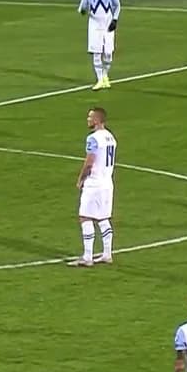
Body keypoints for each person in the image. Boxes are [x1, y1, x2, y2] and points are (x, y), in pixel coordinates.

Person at [69, 107, 116, 267]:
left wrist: (80, 179)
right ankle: (107, 254)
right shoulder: (111, 137)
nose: (88, 120)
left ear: (97, 120)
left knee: (85, 217)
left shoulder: (93, 138)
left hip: (94, 183)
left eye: (90, 117)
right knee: (103, 218)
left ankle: (87, 257)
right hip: (107, 183)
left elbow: (89, 162)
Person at [78, 0, 121, 90]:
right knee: (96, 52)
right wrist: (82, 10)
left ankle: (105, 75)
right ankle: (100, 79)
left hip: (108, 23)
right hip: (94, 24)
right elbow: (83, 6)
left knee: (108, 53)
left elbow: (117, 6)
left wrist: (115, 20)